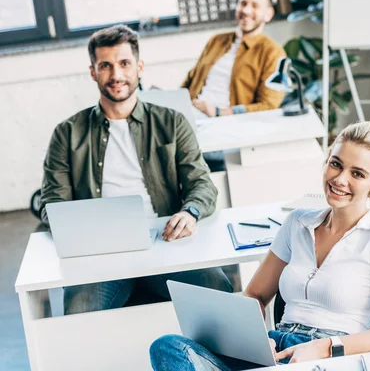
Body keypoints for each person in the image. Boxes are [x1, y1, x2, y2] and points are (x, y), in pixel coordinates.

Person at [149, 121, 370, 370]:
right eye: (336, 164)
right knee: (168, 348)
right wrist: (252, 336)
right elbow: (255, 294)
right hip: (275, 348)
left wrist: (324, 348)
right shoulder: (297, 222)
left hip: (333, 356)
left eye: (358, 174)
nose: (339, 179)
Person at [40, 24, 233, 315]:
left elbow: (202, 185)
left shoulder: (172, 122)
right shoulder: (67, 134)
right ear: (93, 71)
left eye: (124, 64)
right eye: (105, 65)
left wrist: (189, 212)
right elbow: (52, 204)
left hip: (165, 243)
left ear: (139, 68)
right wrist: (81, 231)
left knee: (217, 289)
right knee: (78, 312)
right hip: (100, 254)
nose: (116, 75)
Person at [182, 0, 287, 172]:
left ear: (268, 14)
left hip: (226, 128)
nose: (246, 10)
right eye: (243, 3)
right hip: (192, 120)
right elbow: (189, 82)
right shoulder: (217, 41)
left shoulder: (272, 52)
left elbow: (268, 106)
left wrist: (219, 112)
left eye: (255, 6)